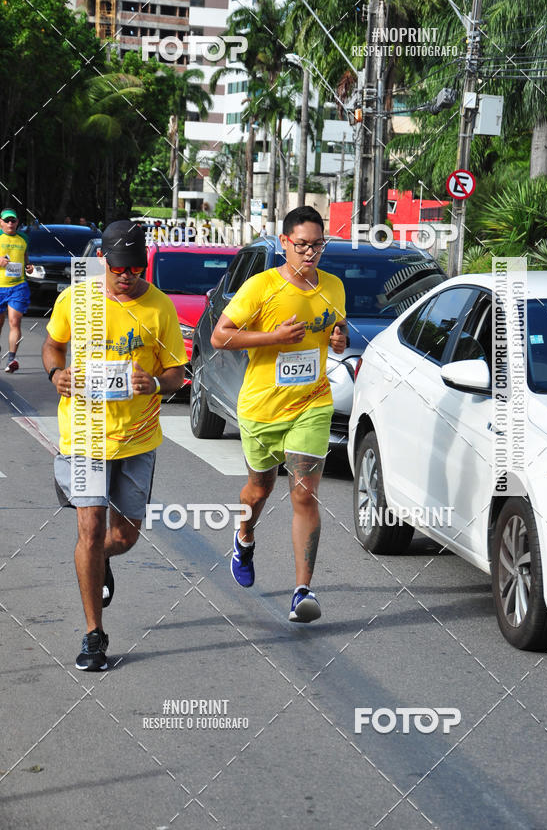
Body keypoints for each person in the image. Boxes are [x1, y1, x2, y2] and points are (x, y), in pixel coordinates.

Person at [42, 220, 187, 671]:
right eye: (120, 268)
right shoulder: (77, 299)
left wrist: (154, 383)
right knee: (88, 530)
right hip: (84, 431)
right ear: (103, 259)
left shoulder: (159, 306)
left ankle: (99, 560)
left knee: (123, 535)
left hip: (137, 437)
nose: (127, 276)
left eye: (136, 268)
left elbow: (176, 373)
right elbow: (52, 345)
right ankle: (93, 634)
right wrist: (55, 375)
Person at [211, 205, 347, 622]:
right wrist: (274, 336)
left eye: (317, 245)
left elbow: (335, 331)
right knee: (259, 490)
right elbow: (220, 336)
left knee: (304, 494)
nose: (310, 253)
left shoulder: (334, 287)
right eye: (302, 245)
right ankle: (244, 536)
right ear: (285, 243)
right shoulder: (261, 287)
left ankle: (303, 591)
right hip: (262, 409)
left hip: (313, 403)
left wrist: (338, 340)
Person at [0, 208, 34, 372]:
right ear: (1, 222)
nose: (10, 223)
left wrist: (29, 266)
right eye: (7, 221)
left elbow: (26, 257)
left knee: (14, 321)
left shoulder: (24, 238)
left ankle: (11, 360)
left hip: (18, 286)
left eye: (13, 220)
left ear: (17, 222)